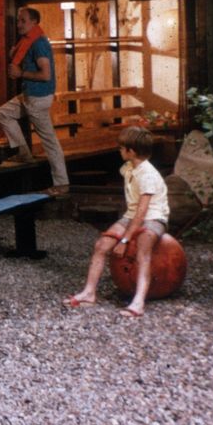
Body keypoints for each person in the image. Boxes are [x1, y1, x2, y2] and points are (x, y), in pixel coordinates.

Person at [63, 126, 170, 317]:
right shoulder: (129, 168)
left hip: (153, 217)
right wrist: (119, 235)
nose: (119, 150)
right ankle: (89, 293)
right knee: (101, 245)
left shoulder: (148, 175)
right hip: (132, 215)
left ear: (132, 151)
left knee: (142, 251)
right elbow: (133, 213)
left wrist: (124, 240)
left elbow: (142, 211)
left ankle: (138, 302)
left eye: (122, 148)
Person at [0, 6, 70, 196]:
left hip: (37, 97)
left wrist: (21, 73)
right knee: (3, 113)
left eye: (23, 21)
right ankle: (24, 153)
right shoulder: (29, 41)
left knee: (50, 141)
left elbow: (45, 75)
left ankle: (61, 184)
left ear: (34, 22)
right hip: (30, 95)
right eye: (18, 20)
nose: (19, 24)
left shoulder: (38, 44)